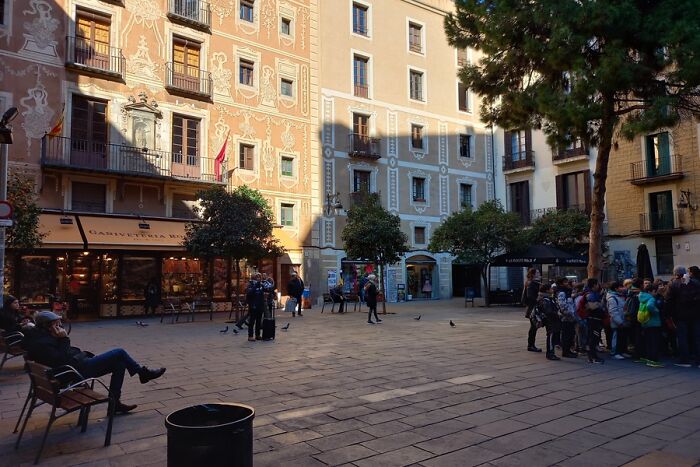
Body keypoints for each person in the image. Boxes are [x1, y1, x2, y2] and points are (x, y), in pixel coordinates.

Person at [23, 311, 165, 414]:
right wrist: (64, 339)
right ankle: (142, 373)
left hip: (74, 367)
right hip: (75, 372)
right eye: (57, 324)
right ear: (48, 326)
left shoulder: (40, 338)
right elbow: (63, 360)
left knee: (120, 363)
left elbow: (61, 358)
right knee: (119, 352)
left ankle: (115, 404)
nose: (60, 326)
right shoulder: (43, 343)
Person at [667, 266, 700, 367]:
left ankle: (685, 360)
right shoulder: (695, 282)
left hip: (680, 315)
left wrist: (669, 315)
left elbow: (669, 300)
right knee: (697, 337)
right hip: (696, 314)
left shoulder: (673, 284)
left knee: (682, 338)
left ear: (675, 273)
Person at [582, 278, 606, 364]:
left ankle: (592, 356)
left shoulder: (593, 293)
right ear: (594, 285)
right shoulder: (590, 295)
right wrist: (600, 303)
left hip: (594, 319)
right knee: (593, 338)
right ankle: (592, 357)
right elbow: (592, 306)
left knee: (593, 338)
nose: (598, 286)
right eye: (597, 284)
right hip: (593, 319)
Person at [640, 282, 663, 368]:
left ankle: (649, 359)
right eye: (655, 291)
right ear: (651, 291)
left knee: (648, 342)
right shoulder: (651, 299)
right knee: (654, 343)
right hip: (654, 323)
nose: (656, 293)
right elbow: (650, 306)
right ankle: (653, 360)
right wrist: (657, 311)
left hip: (646, 323)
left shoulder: (642, 297)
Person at [556, 281, 577, 358]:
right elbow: (562, 305)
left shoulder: (569, 293)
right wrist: (568, 313)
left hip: (571, 317)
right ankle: (565, 352)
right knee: (566, 335)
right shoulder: (562, 293)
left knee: (571, 334)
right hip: (566, 318)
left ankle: (568, 350)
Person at [606, 281, 627, 360]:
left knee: (621, 337)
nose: (623, 288)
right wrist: (620, 322)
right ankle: (615, 352)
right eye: (621, 287)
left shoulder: (619, 296)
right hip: (616, 322)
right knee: (616, 337)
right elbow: (613, 312)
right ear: (616, 288)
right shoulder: (612, 298)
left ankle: (620, 351)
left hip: (621, 320)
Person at [524, 268, 542, 352]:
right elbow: (530, 296)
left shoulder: (535, 283)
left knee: (534, 327)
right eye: (537, 272)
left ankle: (531, 345)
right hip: (533, 308)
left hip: (533, 308)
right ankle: (531, 345)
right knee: (533, 327)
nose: (539, 274)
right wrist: (538, 299)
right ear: (533, 274)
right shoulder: (531, 283)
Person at [246, 273, 266, 341]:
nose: (259, 278)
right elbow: (249, 293)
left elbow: (266, 290)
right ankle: (250, 336)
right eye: (257, 277)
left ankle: (258, 335)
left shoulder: (261, 285)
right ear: (254, 278)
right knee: (252, 321)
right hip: (253, 306)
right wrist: (255, 286)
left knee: (258, 321)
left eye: (260, 277)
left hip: (260, 305)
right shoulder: (250, 284)